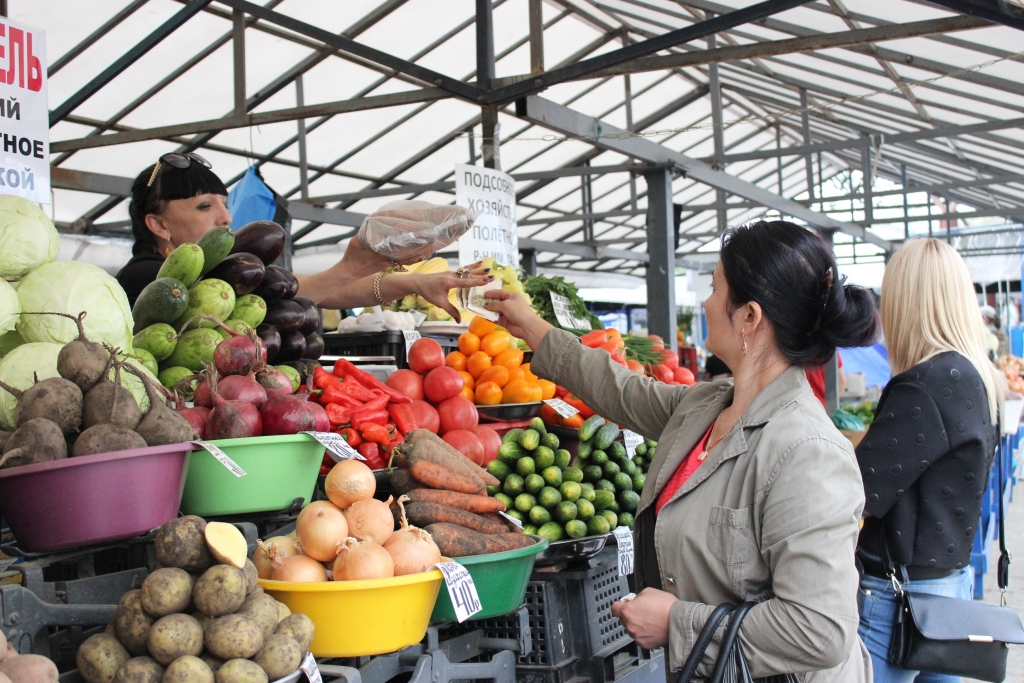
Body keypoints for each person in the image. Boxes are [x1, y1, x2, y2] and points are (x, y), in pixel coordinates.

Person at [485, 220, 878, 682]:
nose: (706, 303)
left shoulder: (808, 452)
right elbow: (621, 389)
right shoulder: (707, 405)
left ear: (750, 318)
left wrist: (677, 622)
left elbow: (819, 630)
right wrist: (531, 327)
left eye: (715, 289)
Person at [854, 238, 1002, 683]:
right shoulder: (977, 377)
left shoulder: (924, 386)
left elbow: (857, 489)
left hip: (898, 600)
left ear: (906, 302)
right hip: (948, 590)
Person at [116, 153, 488, 315]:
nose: (225, 217)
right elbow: (293, 294)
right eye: (204, 207)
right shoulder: (148, 279)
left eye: (223, 203)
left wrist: (417, 284)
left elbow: (319, 288)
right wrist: (351, 263)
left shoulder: (224, 269)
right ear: (159, 224)